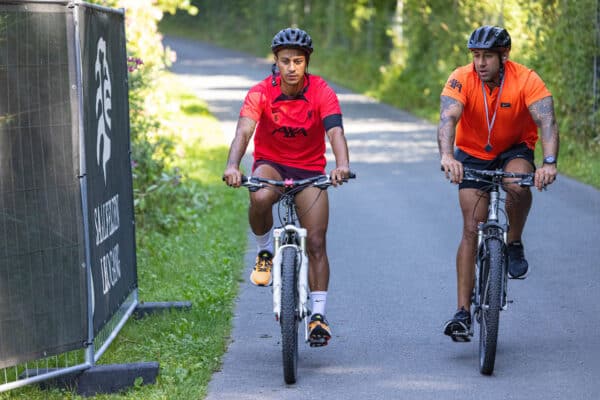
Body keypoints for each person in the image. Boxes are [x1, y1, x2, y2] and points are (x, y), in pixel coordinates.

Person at [222, 27, 350, 346]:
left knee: (317, 241)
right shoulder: (261, 92)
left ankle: (318, 317)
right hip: (272, 165)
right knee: (260, 194)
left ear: (306, 62)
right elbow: (243, 132)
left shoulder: (322, 91)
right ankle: (265, 249)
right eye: (284, 61)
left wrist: (342, 165)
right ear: (275, 63)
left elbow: (335, 132)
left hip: (309, 169)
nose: (291, 67)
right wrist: (232, 166)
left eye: (297, 61)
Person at [437, 25, 559, 341]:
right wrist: (448, 157)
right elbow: (448, 118)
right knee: (470, 227)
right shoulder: (460, 77)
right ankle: (462, 313)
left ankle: (513, 241)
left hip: (514, 148)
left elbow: (546, 119)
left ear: (503, 56)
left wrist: (548, 163)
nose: (480, 63)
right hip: (473, 154)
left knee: (518, 185)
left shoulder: (526, 79)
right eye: (476, 56)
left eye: (487, 56)